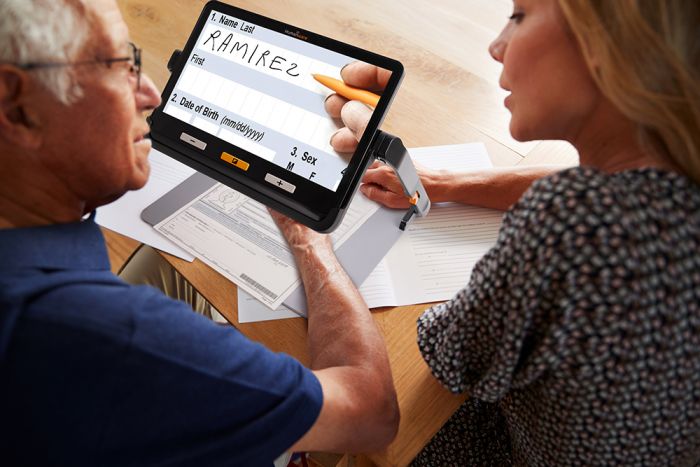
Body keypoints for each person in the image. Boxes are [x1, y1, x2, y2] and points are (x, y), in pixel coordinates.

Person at [0, 0, 399, 465]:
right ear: (17, 108)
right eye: (119, 67)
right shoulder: (120, 338)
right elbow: (372, 414)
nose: (150, 93)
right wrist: (308, 241)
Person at [327, 0, 700, 465]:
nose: (496, 45)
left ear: (606, 43)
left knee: (359, 410)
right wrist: (443, 184)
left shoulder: (577, 222)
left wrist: (311, 245)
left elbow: (450, 354)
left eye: (520, 15)